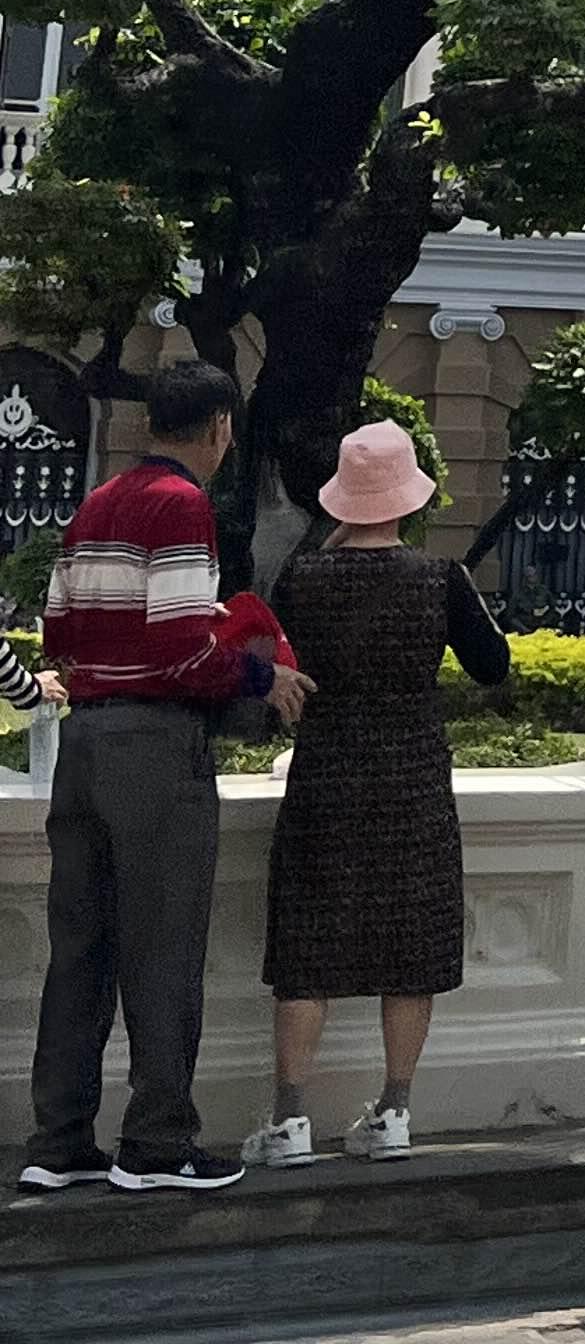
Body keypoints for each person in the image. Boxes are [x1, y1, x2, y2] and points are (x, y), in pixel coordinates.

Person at [22, 357, 313, 1197]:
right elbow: (183, 651)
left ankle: (59, 1140)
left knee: (80, 950)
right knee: (163, 947)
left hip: (85, 740)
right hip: (154, 746)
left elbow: (60, 633)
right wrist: (261, 674)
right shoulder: (182, 505)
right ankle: (155, 1144)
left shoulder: (98, 504)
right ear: (220, 427)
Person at [239, 419, 514, 1169]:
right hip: (412, 781)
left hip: (326, 777)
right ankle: (393, 1112)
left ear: (341, 499)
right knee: (411, 947)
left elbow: (270, 652)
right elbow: (493, 666)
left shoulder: (301, 578)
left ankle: (290, 1121)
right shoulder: (440, 580)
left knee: (306, 946)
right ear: (412, 498)